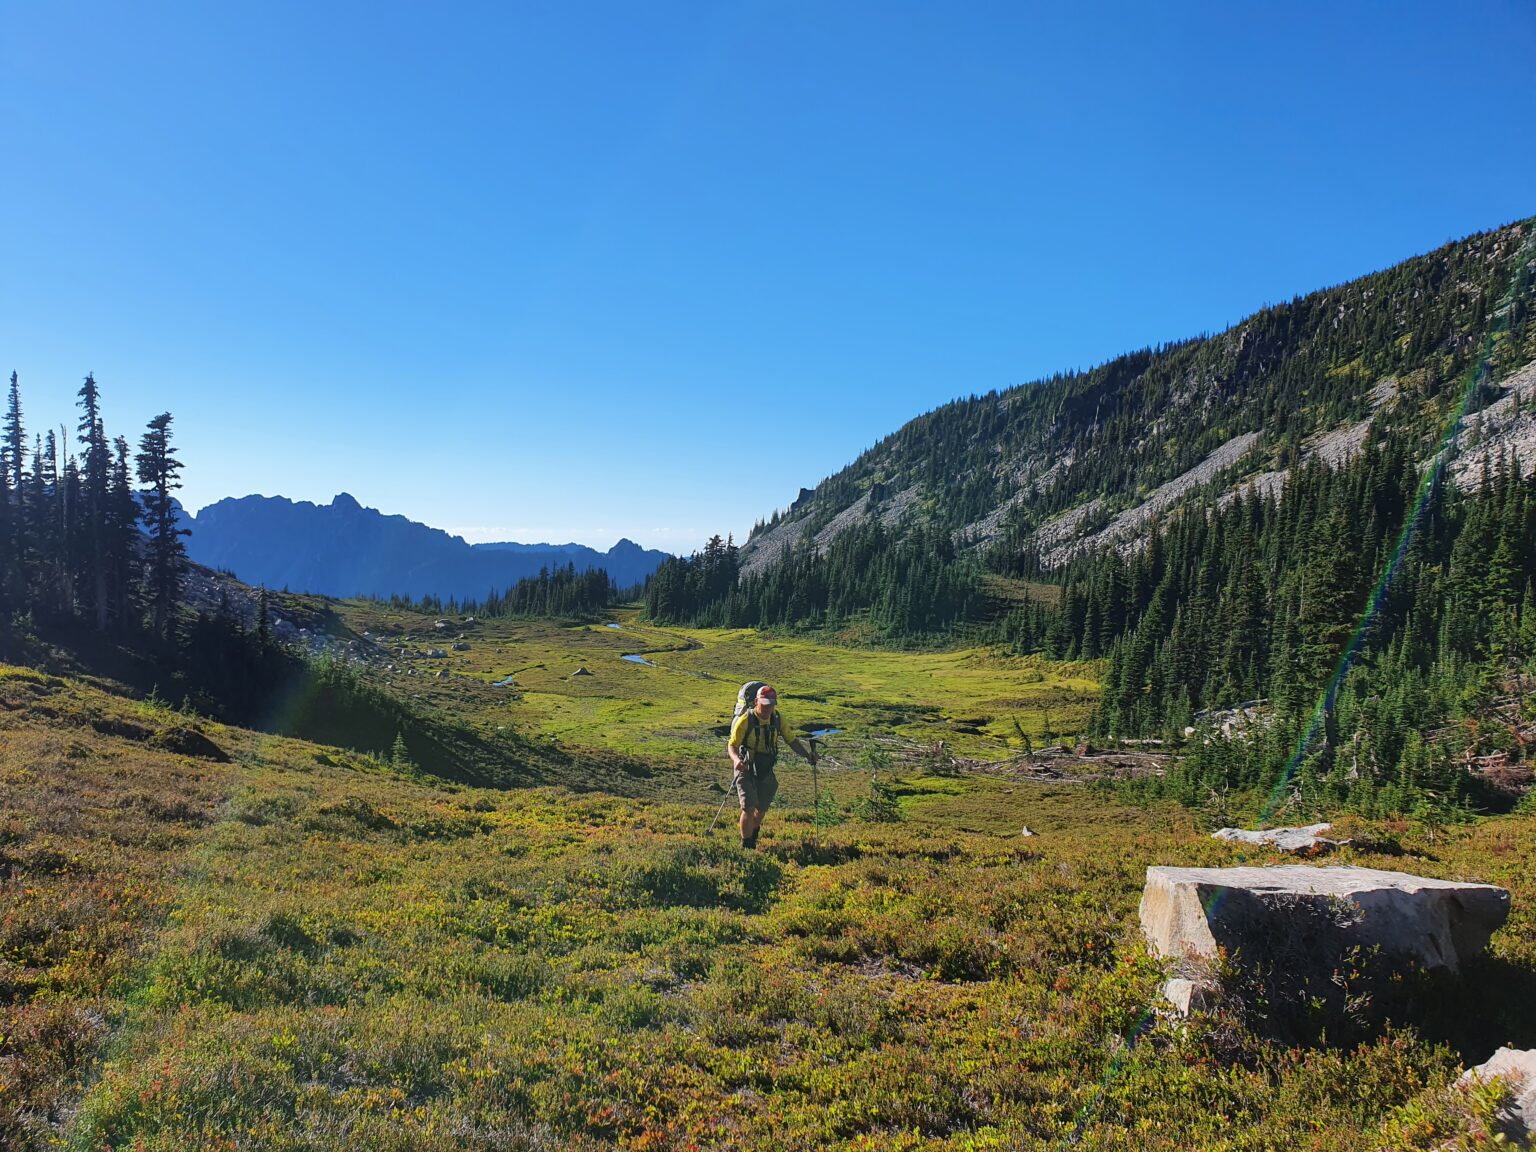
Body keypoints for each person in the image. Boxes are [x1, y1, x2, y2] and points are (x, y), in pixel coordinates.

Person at [726, 684, 816, 849]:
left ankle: (753, 830)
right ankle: (747, 845)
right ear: (756, 702)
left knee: (761, 809)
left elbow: (792, 740)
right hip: (745, 766)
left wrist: (807, 755)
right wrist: (736, 760)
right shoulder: (746, 720)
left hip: (765, 767)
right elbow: (732, 745)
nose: (768, 707)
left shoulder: (777, 719)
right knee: (748, 806)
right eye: (765, 703)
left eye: (771, 704)